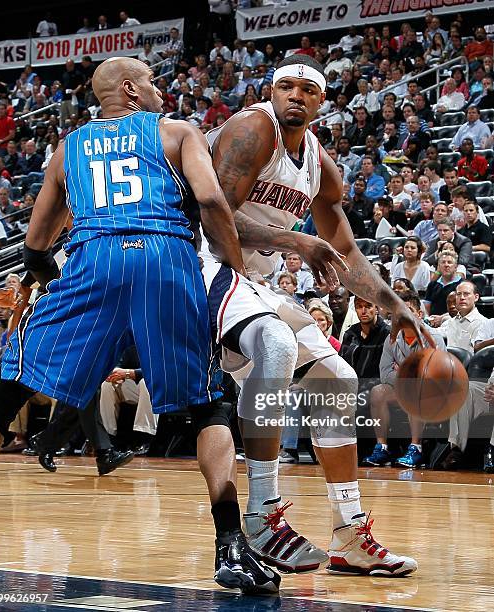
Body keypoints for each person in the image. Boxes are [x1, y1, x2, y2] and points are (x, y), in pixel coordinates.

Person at [0, 57, 279, 595]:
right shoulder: (175, 131)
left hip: (91, 259)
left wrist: (58, 281)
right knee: (206, 401)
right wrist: (235, 268)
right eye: (150, 81)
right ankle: (230, 546)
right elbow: (213, 200)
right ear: (129, 89)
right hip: (164, 259)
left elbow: (35, 243)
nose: (158, 89)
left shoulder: (66, 147)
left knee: (6, 390)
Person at [202, 54, 431, 576]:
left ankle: (349, 532)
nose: (295, 96)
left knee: (337, 377)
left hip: (252, 279)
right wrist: (295, 239)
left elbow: (344, 249)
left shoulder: (318, 162)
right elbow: (213, 216)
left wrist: (396, 307)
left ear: (322, 101)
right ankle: (260, 515)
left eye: (307, 89)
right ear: (271, 91)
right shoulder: (252, 127)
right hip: (204, 263)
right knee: (278, 345)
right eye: (286, 86)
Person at [364, 292, 445, 468]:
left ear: (419, 314)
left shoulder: (434, 338)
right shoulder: (392, 338)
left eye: (408, 311)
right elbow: (385, 373)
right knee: (378, 392)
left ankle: (416, 448)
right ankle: (382, 447)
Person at [438, 281, 485, 353]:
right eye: (459, 294)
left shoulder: (483, 323)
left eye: (466, 294)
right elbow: (433, 333)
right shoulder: (450, 322)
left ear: (476, 297)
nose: (462, 297)